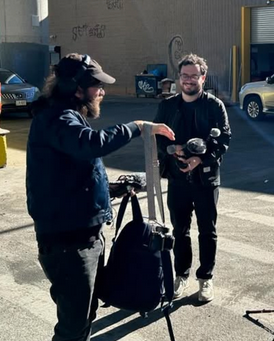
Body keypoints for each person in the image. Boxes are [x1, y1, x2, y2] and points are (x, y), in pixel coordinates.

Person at [26, 53, 175, 341]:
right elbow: (90, 145)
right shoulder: (56, 118)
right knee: (73, 325)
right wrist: (137, 127)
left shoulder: (66, 117)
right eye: (97, 86)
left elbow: (72, 175)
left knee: (85, 314)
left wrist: (112, 190)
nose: (102, 92)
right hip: (69, 245)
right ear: (76, 89)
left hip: (83, 237)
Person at [154, 53, 231, 303]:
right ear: (179, 78)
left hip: (206, 179)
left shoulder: (214, 106)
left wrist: (201, 159)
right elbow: (156, 136)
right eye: (185, 75)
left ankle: (205, 278)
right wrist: (172, 150)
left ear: (203, 78)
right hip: (177, 179)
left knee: (208, 230)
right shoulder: (167, 106)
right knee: (180, 230)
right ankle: (181, 274)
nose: (188, 80)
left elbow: (224, 139)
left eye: (194, 76)